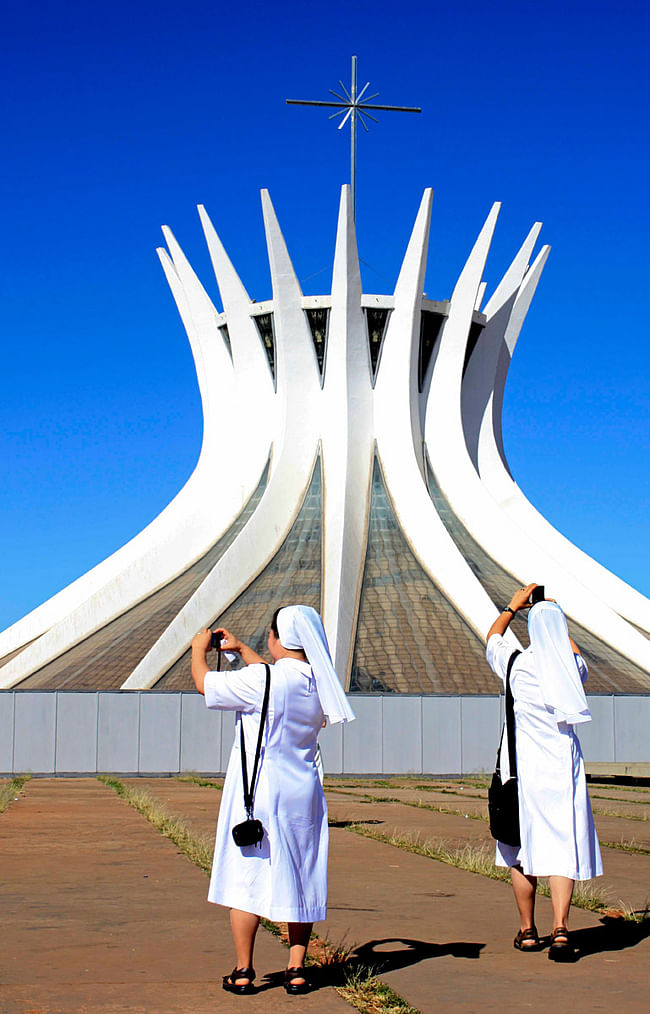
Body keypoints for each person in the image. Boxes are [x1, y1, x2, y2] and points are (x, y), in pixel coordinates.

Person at [191, 604, 355, 995]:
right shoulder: (318, 683)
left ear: (278, 639)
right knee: (300, 875)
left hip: (258, 794)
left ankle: (244, 969)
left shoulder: (263, 680)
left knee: (247, 877)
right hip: (302, 795)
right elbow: (274, 677)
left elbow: (205, 684)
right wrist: (242, 650)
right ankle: (296, 970)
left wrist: (198, 650)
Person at [485, 583, 602, 961]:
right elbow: (572, 651)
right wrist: (555, 618)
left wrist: (513, 607)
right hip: (562, 771)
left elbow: (493, 639)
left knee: (520, 849)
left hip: (521, 772)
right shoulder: (573, 669)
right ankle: (562, 927)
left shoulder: (516, 665)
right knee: (561, 846)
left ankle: (528, 929)